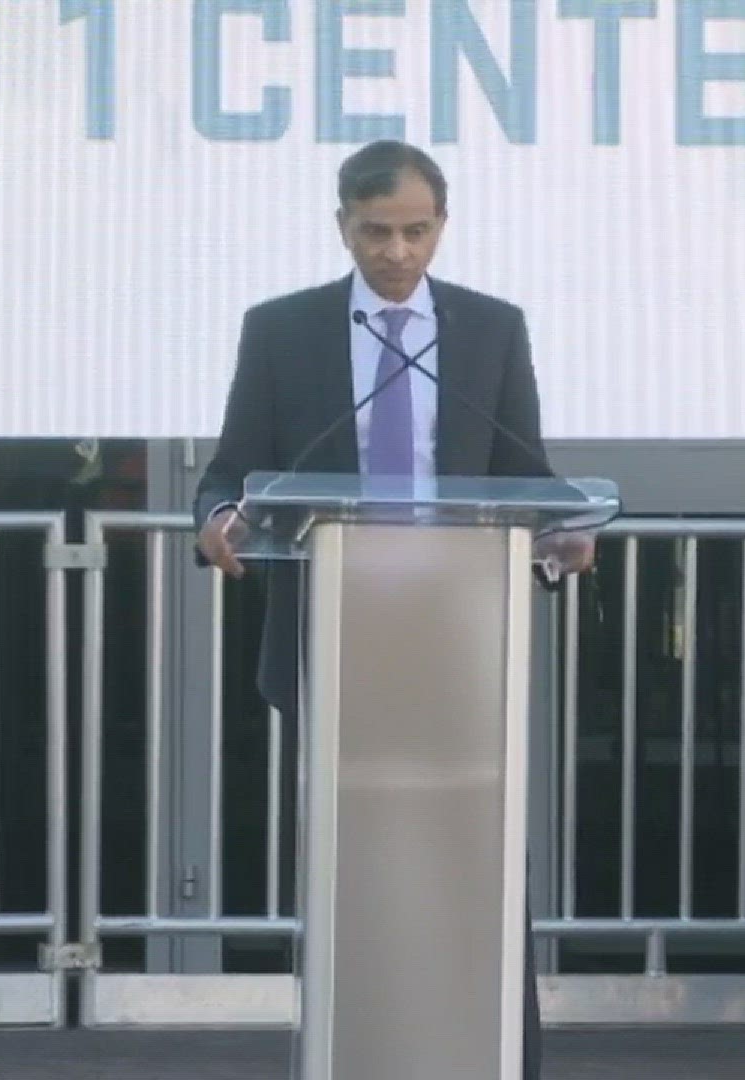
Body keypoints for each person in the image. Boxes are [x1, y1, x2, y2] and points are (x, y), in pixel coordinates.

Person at [192, 140, 591, 1080]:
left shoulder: (493, 330)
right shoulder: (281, 330)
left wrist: (561, 531)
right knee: (359, 866)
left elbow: (522, 472)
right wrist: (217, 519)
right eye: (378, 233)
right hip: (337, 630)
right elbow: (228, 471)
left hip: (463, 634)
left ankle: (493, 1057)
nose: (399, 253)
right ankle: (359, 1051)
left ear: (442, 226)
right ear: (344, 227)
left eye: (417, 232)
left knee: (478, 864)